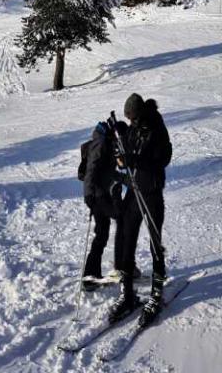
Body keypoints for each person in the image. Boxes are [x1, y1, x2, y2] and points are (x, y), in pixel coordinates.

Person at [110, 94, 173, 325]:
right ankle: (127, 293)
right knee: (127, 237)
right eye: (128, 119)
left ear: (140, 114)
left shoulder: (156, 126)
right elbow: (127, 148)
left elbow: (163, 159)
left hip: (152, 192)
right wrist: (120, 138)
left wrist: (135, 160)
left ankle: (156, 294)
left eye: (132, 118)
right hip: (134, 191)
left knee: (155, 241)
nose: (131, 122)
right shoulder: (134, 127)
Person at [76, 115, 126, 291]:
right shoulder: (101, 143)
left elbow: (108, 171)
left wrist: (126, 179)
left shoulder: (107, 143)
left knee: (102, 234)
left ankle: (90, 277)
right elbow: (91, 170)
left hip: (100, 193)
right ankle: (125, 268)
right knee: (122, 218)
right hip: (97, 195)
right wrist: (88, 195)